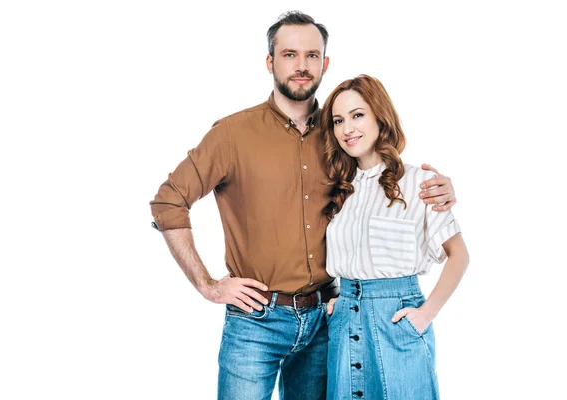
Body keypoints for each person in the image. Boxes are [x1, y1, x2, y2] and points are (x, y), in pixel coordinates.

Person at [149, 12, 457, 400]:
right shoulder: (232, 134)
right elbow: (168, 201)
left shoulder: (340, 134)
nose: (301, 65)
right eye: (289, 54)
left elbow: (380, 178)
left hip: (327, 320)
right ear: (270, 62)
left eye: (312, 55)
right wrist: (207, 284)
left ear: (324, 64)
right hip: (255, 324)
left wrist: (438, 189)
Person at [321, 74, 469, 400]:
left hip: (397, 321)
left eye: (358, 115)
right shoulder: (337, 190)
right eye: (338, 120)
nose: (347, 129)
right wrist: (340, 300)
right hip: (345, 321)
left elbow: (459, 254)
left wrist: (424, 316)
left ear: (379, 116)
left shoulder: (420, 181)